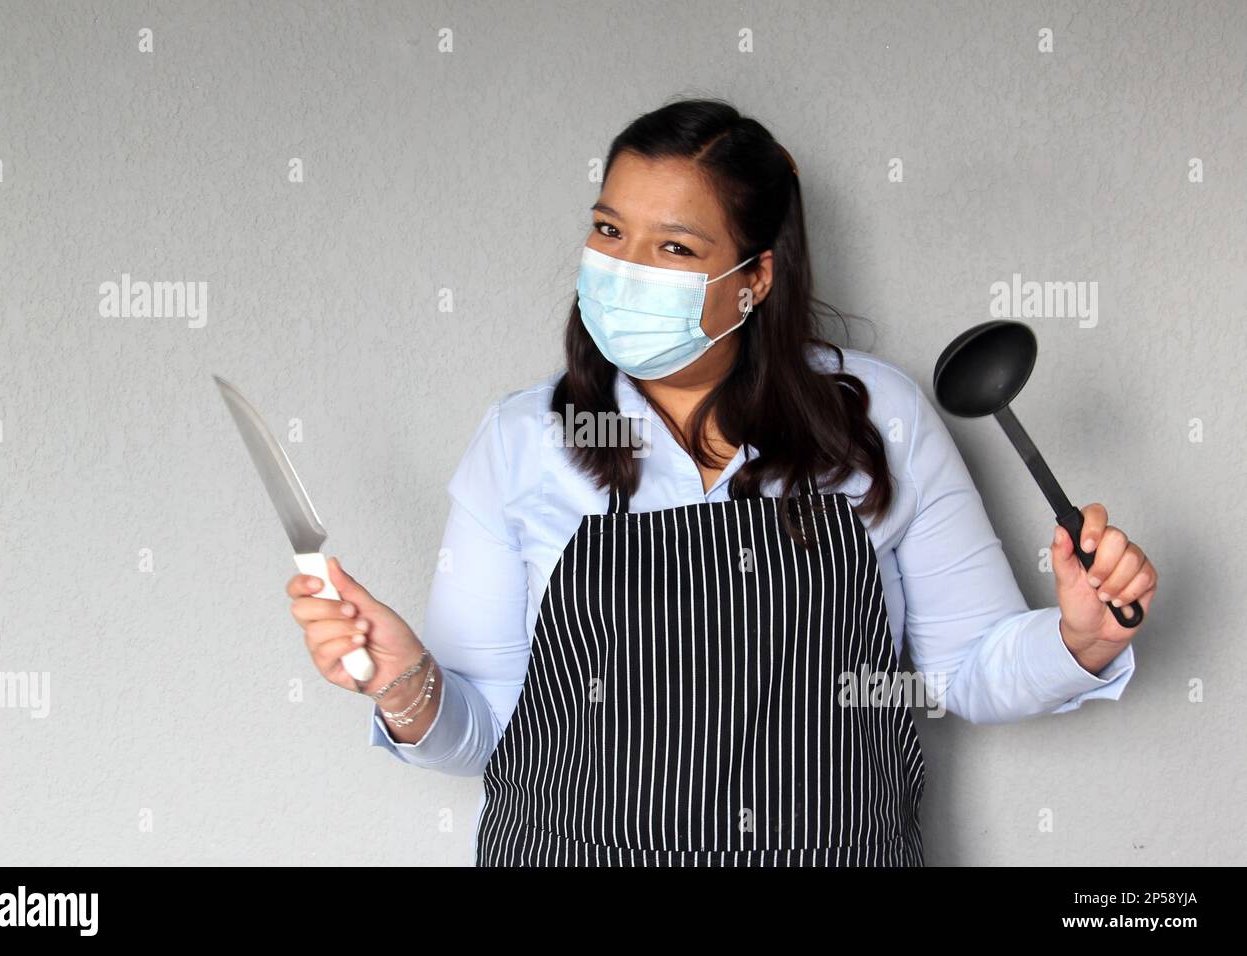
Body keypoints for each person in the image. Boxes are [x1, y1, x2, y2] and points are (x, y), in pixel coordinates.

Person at [286, 98, 1157, 867]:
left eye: (675, 246)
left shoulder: (875, 416)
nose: (626, 267)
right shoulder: (523, 439)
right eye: (608, 230)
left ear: (755, 279)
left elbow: (967, 669)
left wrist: (1080, 640)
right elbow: (486, 735)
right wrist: (405, 682)